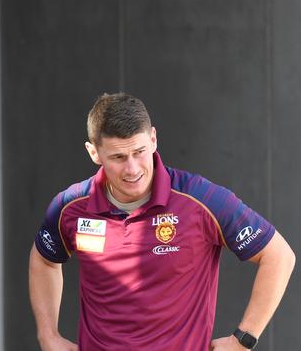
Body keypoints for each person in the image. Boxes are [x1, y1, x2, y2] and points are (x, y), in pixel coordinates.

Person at [29, 93, 295, 350]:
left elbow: (278, 255)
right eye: (118, 157)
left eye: (139, 151)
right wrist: (48, 335)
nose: (132, 169)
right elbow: (45, 260)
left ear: (153, 139)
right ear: (94, 153)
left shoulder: (200, 200)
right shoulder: (71, 206)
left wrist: (243, 340)